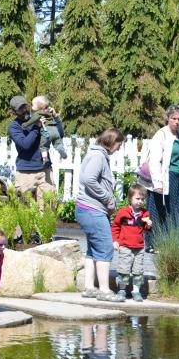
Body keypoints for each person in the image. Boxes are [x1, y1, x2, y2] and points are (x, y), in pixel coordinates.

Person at [76, 128, 125, 302]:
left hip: (86, 209)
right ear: (111, 142)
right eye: (118, 144)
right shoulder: (98, 157)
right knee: (105, 247)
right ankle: (104, 290)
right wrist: (108, 198)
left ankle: (89, 287)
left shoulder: (95, 154)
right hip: (93, 210)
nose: (119, 149)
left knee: (93, 250)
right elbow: (88, 179)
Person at [139, 105, 179, 251]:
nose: (177, 122)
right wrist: (157, 183)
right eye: (174, 118)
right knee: (160, 210)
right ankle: (155, 243)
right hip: (166, 177)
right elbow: (155, 161)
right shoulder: (161, 135)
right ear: (167, 119)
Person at [8, 95, 64, 203]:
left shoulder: (39, 117)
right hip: (26, 173)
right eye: (20, 109)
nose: (24, 110)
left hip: (45, 171)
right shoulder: (14, 127)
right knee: (25, 212)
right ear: (14, 112)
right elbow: (25, 145)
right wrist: (37, 126)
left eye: (25, 106)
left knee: (48, 209)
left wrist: (55, 117)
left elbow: (59, 135)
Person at [112, 184, 152, 301]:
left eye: (142, 199)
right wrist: (115, 240)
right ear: (130, 198)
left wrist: (148, 225)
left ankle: (136, 291)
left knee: (138, 271)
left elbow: (146, 230)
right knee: (124, 270)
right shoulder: (123, 212)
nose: (140, 202)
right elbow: (115, 227)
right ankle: (122, 290)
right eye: (137, 199)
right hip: (125, 246)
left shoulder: (145, 214)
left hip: (139, 247)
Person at [18, 95, 68, 162]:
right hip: (54, 130)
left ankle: (45, 159)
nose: (31, 107)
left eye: (33, 105)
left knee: (44, 146)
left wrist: (25, 124)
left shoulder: (38, 114)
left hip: (46, 131)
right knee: (58, 143)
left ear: (39, 108)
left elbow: (32, 120)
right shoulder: (49, 113)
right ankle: (60, 148)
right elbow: (60, 134)